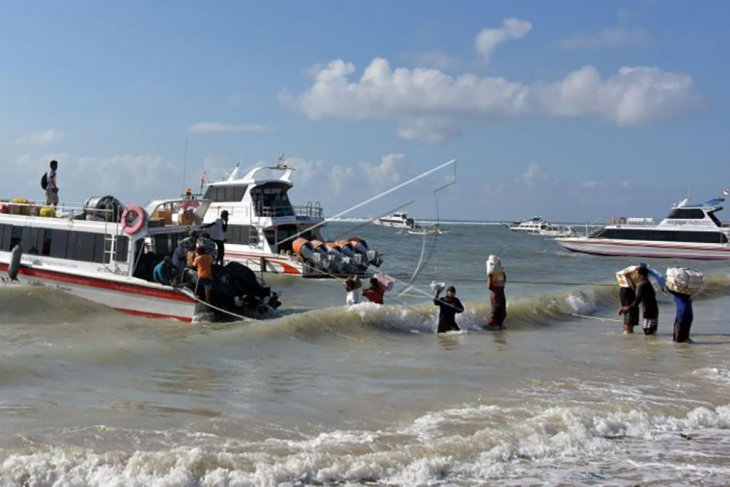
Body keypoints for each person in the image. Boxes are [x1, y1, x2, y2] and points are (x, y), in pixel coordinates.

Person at [618, 266, 658, 335]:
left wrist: (627, 308)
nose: (635, 275)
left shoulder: (642, 285)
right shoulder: (647, 283)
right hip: (653, 311)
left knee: (648, 333)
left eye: (636, 274)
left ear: (640, 275)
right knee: (651, 333)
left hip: (649, 313)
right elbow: (635, 289)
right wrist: (628, 277)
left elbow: (637, 301)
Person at [616, 266, 639, 334]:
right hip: (626, 308)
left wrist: (628, 276)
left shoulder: (630, 285)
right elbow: (624, 298)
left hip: (631, 308)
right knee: (625, 327)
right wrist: (621, 307)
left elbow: (634, 288)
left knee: (628, 328)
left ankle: (631, 341)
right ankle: (629, 340)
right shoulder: (623, 287)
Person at [486, 255, 507, 328]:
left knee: (494, 322)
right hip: (502, 307)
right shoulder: (501, 286)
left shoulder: (495, 289)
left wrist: (489, 276)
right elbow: (504, 280)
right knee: (499, 323)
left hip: (497, 306)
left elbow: (490, 287)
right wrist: (503, 272)